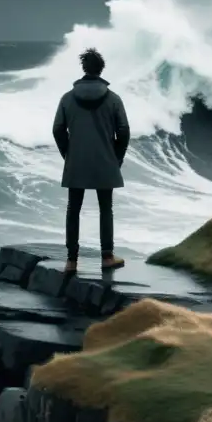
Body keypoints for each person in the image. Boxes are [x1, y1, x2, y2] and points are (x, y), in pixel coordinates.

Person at [52, 47, 130, 273]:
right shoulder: (114, 99)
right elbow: (123, 131)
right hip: (105, 161)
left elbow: (58, 129)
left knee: (73, 209)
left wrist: (68, 154)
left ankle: (71, 261)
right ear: (101, 69)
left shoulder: (67, 98)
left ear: (84, 68)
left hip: (76, 162)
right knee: (106, 208)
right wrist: (116, 158)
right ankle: (107, 257)